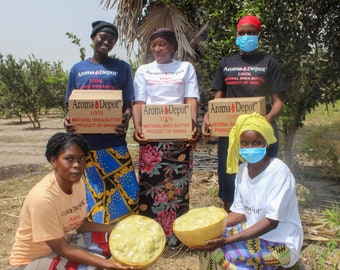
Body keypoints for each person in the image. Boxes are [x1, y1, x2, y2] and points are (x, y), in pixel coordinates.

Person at [194, 113, 303, 269]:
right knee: (207, 248)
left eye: (256, 142)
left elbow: (271, 222)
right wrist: (207, 226)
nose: (250, 148)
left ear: (266, 143)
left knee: (223, 257)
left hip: (281, 244)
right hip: (254, 234)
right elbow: (240, 213)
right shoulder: (242, 170)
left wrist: (228, 240)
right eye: (245, 143)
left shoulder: (278, 172)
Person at [9, 132, 133, 270]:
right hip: (29, 263)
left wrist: (120, 229)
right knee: (89, 267)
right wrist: (108, 264)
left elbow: (82, 226)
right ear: (53, 161)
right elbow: (63, 249)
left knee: (114, 239)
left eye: (81, 159)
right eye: (69, 158)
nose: (77, 165)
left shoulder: (78, 183)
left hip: (58, 249)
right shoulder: (42, 199)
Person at [201, 15, 285, 212]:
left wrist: (266, 120)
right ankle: (232, 220)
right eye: (242, 33)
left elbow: (278, 102)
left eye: (251, 33)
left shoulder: (269, 63)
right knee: (229, 177)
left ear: (258, 35)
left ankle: (260, 221)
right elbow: (218, 98)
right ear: (236, 35)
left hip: (261, 135)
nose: (246, 36)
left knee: (263, 177)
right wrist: (209, 115)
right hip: (231, 134)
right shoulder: (226, 63)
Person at [64, 20, 139, 224]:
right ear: (93, 38)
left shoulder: (121, 67)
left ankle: (126, 229)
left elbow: (128, 103)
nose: (106, 42)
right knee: (94, 191)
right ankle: (98, 234)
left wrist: (125, 120)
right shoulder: (78, 69)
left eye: (112, 40)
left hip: (113, 141)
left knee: (127, 187)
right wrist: (68, 121)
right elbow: (70, 104)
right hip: (85, 144)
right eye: (102, 37)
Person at [132, 28, 200, 249]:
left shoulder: (185, 68)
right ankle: (152, 238)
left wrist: (192, 127)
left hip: (178, 138)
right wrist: (138, 127)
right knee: (150, 187)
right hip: (152, 141)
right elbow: (139, 102)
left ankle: (177, 239)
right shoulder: (144, 70)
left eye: (162, 45)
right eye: (153, 45)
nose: (157, 49)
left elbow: (190, 99)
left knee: (178, 187)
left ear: (172, 47)